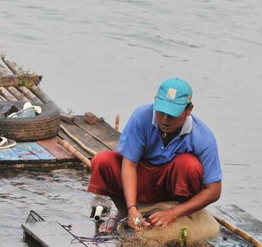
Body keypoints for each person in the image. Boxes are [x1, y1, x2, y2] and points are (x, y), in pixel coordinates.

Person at [88, 77, 222, 231]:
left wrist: (173, 212)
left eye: (172, 114)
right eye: (161, 112)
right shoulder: (141, 117)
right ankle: (124, 211)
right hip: (141, 180)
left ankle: (174, 216)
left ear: (188, 110)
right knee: (102, 160)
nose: (165, 119)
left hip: (171, 193)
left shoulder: (204, 138)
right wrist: (132, 208)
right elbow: (129, 164)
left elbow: (214, 190)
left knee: (189, 165)